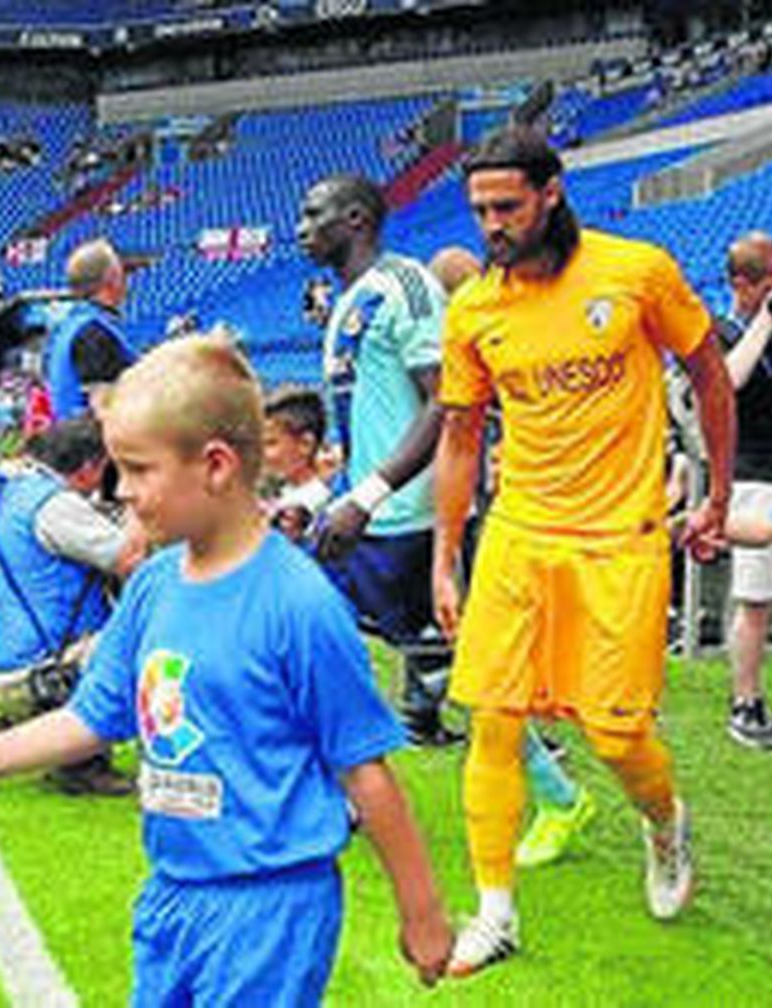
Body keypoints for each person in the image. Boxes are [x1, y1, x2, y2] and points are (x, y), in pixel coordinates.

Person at [0, 336, 452, 1005]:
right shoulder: (153, 587)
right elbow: (90, 718)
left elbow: (365, 769)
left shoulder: (299, 604)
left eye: (139, 471)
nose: (121, 491)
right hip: (173, 895)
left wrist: (423, 911)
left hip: (269, 910)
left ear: (216, 466)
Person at [431, 126, 735, 977]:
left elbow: (710, 374)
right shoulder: (473, 309)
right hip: (520, 534)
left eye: (507, 206)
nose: (492, 224)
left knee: (616, 731)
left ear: (551, 192)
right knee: (491, 718)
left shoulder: (635, 271)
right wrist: (446, 555)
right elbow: (460, 438)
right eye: (481, 209)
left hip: (621, 537)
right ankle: (495, 914)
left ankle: (663, 822)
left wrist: (711, 494)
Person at [427, 243, 596, 871]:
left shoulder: (478, 336)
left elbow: (453, 431)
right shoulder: (489, 333)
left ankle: (558, 795)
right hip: (482, 516)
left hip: (470, 520)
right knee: (479, 674)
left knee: (484, 674)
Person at [296, 173, 461, 747]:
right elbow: (367, 420)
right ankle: (349, 773)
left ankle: (550, 780)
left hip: (400, 514)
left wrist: (366, 498)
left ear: (356, 219)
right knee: (315, 637)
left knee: (436, 655)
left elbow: (446, 400)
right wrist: (326, 496)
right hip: (363, 509)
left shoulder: (405, 286)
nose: (301, 229)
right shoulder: (346, 302)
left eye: (314, 214)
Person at [0, 415, 144, 794]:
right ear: (90, 466)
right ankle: (82, 763)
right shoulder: (57, 506)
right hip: (46, 671)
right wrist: (140, 510)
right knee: (147, 640)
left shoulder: (16, 491)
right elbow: (131, 559)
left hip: (9, 666)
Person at [715, 232, 772, 748]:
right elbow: (725, 385)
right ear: (742, 284)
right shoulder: (720, 329)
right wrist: (767, 322)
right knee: (756, 599)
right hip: (751, 474)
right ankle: (746, 704)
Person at [43, 236, 135, 422]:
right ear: (111, 279)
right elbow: (102, 404)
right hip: (89, 443)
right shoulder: (92, 332)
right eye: (122, 271)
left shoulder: (69, 325)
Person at [260, 385, 332, 541]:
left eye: (270, 443)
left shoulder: (316, 506)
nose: (262, 453)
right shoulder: (280, 494)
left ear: (305, 444)